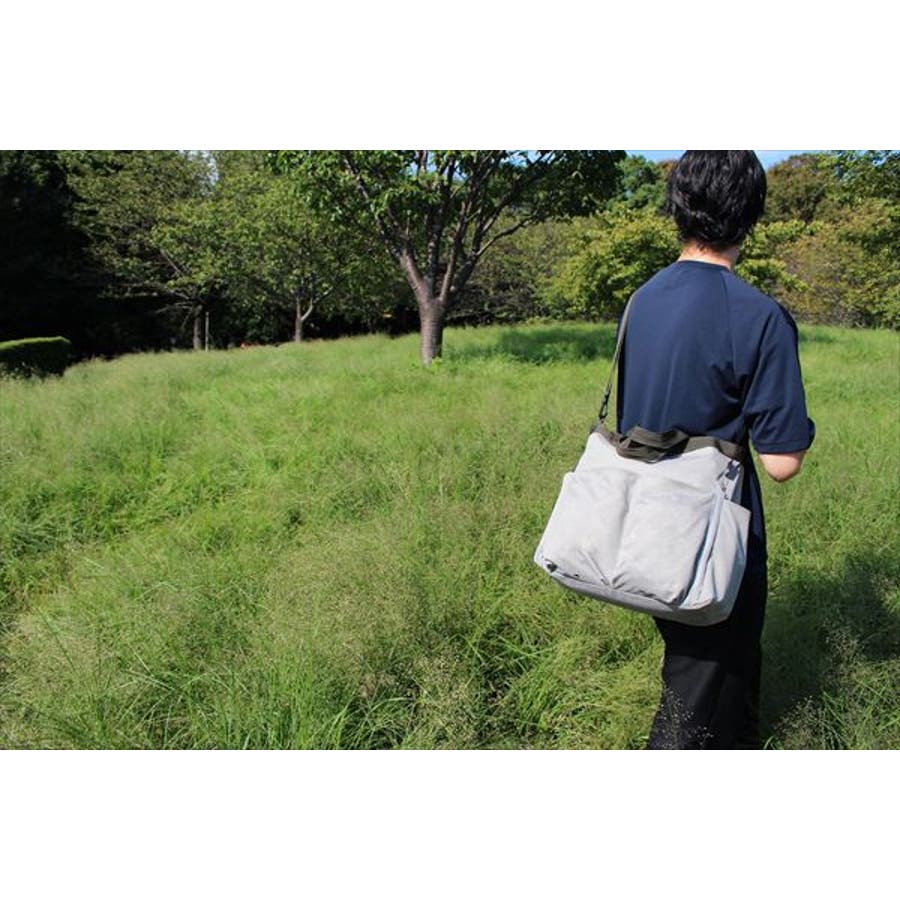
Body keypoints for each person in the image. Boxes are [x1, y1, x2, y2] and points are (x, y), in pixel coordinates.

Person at [615, 151, 816, 749]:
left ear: (678, 206)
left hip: (644, 518)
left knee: (711, 673)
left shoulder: (641, 299)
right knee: (697, 699)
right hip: (713, 534)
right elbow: (781, 463)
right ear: (750, 213)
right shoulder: (760, 316)